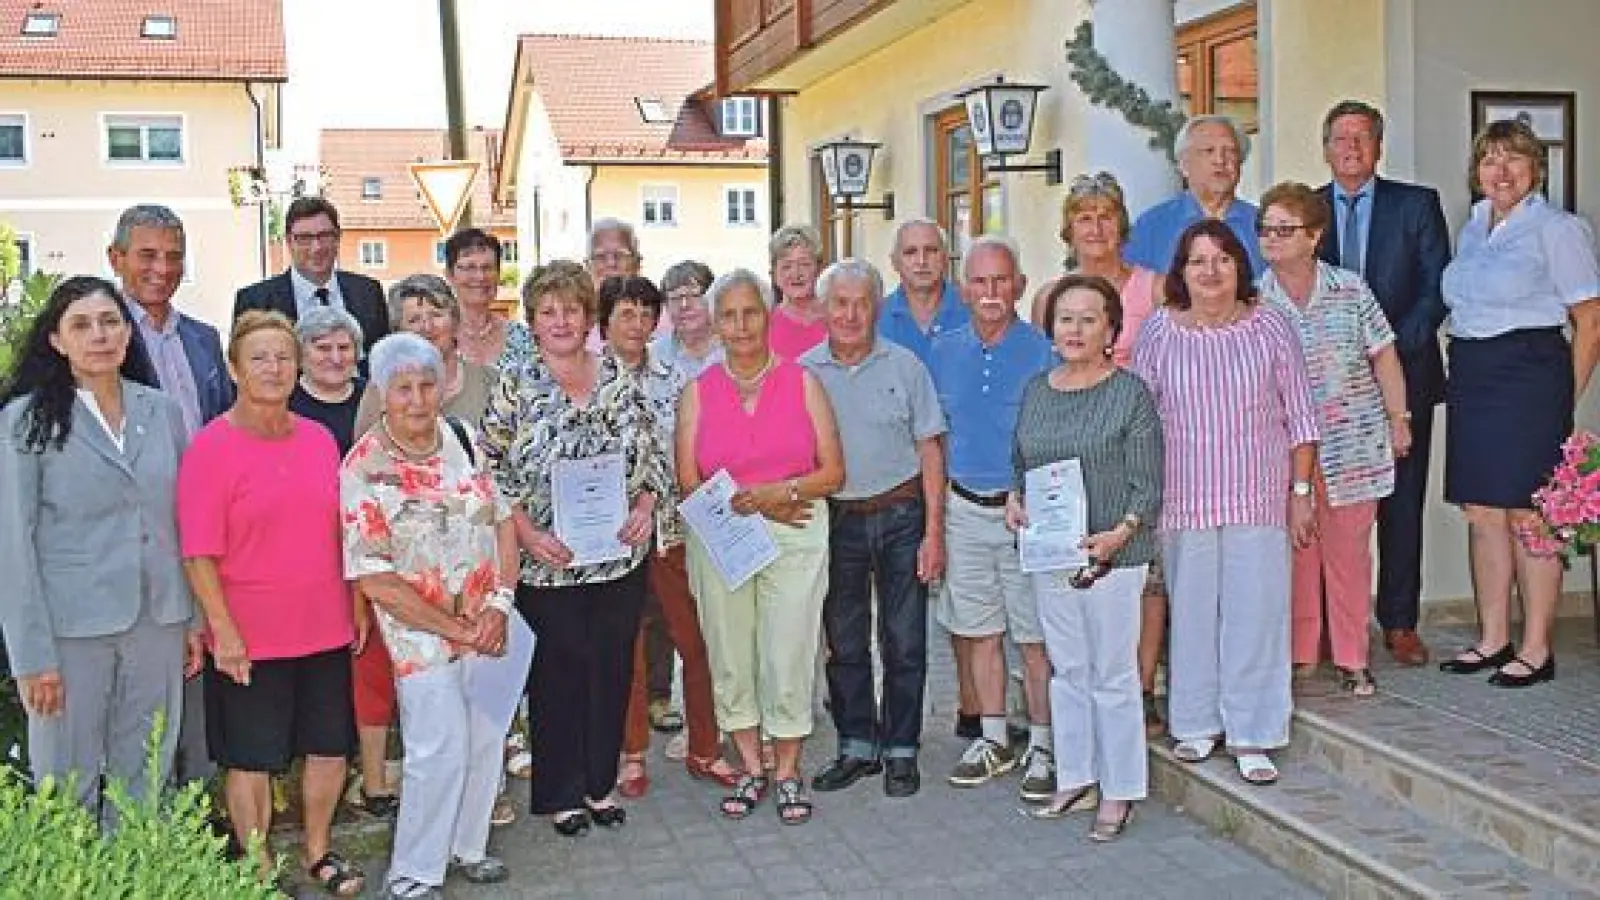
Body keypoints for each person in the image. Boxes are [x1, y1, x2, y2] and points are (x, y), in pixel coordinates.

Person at [177, 311, 363, 894]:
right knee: (251, 759)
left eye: (284, 356)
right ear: (234, 369)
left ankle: (317, 852)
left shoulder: (318, 440)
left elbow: (344, 529)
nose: (274, 368)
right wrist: (222, 630)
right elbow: (197, 553)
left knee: (329, 747)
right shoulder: (210, 448)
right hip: (249, 635)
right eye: (259, 357)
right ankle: (257, 870)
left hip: (325, 623)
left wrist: (356, 604)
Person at [481, 260, 668, 835]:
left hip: (616, 557)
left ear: (589, 317)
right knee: (558, 675)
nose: (560, 321)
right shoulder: (514, 383)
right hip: (549, 561)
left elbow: (651, 454)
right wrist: (526, 532)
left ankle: (598, 783)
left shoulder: (617, 375)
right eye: (548, 312)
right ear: (533, 322)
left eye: (570, 309)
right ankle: (560, 793)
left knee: (611, 670)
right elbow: (488, 469)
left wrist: (643, 508)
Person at [0, 276, 198, 816]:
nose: (99, 336)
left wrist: (193, 620)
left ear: (128, 335)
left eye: (111, 322)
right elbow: (12, 548)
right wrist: (31, 657)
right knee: (68, 784)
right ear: (57, 341)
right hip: (68, 633)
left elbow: (183, 523)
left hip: (158, 621)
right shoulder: (25, 421)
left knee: (148, 777)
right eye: (81, 325)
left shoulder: (162, 411)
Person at [1132, 219, 1319, 787]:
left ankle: (1252, 732)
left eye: (1221, 259)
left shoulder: (1271, 328)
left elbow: (1302, 418)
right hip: (1184, 499)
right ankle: (1194, 723)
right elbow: (1140, 421)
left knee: (1255, 614)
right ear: (1180, 273)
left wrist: (1302, 492)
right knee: (1191, 614)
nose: (1210, 272)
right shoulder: (1161, 333)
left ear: (1239, 266)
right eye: (1197, 261)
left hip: (1256, 496)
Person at [342, 333, 521, 900]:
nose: (418, 399)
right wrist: (458, 629)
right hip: (420, 635)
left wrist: (501, 604)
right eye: (403, 389)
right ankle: (414, 874)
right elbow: (375, 579)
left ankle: (467, 848)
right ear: (383, 393)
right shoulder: (363, 467)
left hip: (488, 622)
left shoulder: (463, 439)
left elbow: (502, 522)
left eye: (426, 384)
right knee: (435, 750)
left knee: (486, 737)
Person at [676, 268, 845, 825]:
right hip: (724, 536)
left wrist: (782, 494)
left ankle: (789, 769)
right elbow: (687, 480)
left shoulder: (803, 383)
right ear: (716, 322)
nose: (741, 325)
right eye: (729, 314)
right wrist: (760, 501)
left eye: (751, 312)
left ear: (767, 316)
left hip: (796, 531)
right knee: (730, 654)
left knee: (787, 651)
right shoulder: (698, 392)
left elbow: (834, 472)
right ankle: (750, 764)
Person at [1438, 118, 1600, 687]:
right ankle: (1492, 638)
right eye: (1490, 160)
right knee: (1483, 512)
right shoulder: (1475, 225)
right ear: (1476, 171)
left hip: (1531, 376)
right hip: (1475, 375)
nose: (1500, 171)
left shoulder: (1557, 228)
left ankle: (1536, 647)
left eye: (1514, 159)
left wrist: (1562, 399)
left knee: (1530, 516)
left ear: (1536, 169)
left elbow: (1590, 320)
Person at [1008, 274, 1163, 839]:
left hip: (1113, 557)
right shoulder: (1037, 390)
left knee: (1113, 674)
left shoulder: (1130, 394)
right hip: (1052, 553)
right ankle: (1076, 776)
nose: (1074, 329)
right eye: (1065, 318)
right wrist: (1015, 501)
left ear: (1111, 331)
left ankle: (1119, 790)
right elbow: (1021, 463)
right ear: (1051, 329)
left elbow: (1148, 487)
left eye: (1088, 318)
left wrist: (1118, 535)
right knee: (1068, 671)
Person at [800, 259, 947, 798]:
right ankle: (856, 743)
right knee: (844, 640)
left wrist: (935, 533)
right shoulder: (803, 372)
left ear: (877, 307)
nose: (850, 313)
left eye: (861, 302)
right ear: (822, 309)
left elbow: (930, 449)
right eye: (839, 303)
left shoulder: (907, 367)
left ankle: (902, 747)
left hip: (902, 513)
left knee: (905, 640)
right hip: (837, 520)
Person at [1259, 182, 1412, 697]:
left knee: (1348, 554)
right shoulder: (1257, 301)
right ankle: (1302, 653)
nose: (1273, 239)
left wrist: (1399, 417)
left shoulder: (1350, 289)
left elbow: (1385, 355)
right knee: (1297, 553)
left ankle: (1352, 658)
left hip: (1353, 444)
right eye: (1266, 230)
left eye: (1286, 229)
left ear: (1315, 236)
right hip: (1284, 451)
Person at [1316, 100, 1452, 667]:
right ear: (1326, 148)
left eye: (1364, 137)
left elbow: (1436, 286)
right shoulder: (1309, 210)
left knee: (1401, 500)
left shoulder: (1416, 205)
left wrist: (1389, 349)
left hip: (1406, 372)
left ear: (1379, 148)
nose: (1352, 147)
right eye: (1342, 138)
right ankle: (1327, 624)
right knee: (1329, 504)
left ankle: (1399, 621)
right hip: (1327, 384)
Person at [1029, 172, 1166, 731]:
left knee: (1143, 569)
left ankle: (1141, 684)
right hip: (1074, 453)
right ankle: (1085, 686)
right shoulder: (1048, 297)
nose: (1095, 226)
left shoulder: (1152, 288)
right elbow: (1045, 376)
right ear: (1068, 228)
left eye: (1105, 215)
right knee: (1081, 568)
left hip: (1135, 441)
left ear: (1122, 224)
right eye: (1084, 216)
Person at [599, 275, 739, 797]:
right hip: (612, 537)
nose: (636, 324)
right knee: (626, 646)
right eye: (625, 314)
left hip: (676, 529)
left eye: (644, 313)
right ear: (605, 322)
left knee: (696, 639)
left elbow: (691, 450)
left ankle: (706, 745)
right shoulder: (589, 381)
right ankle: (631, 754)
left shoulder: (678, 378)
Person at [106, 203, 230, 788]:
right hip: (135, 539)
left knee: (199, 682)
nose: (162, 268)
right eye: (147, 255)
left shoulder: (204, 340)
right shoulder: (104, 340)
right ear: (117, 259)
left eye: (174, 256)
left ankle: (201, 816)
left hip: (204, 529)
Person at [929, 236, 1057, 801]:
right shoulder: (942, 350)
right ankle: (994, 738)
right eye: (979, 282)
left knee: (1033, 637)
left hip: (1023, 514)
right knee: (978, 631)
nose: (990, 293)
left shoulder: (1043, 352)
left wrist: (1027, 492)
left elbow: (1055, 438)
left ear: (1020, 287)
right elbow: (932, 438)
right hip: (963, 509)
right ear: (964, 289)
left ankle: (1046, 745)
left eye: (1001, 281)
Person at [233, 195, 391, 356]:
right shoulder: (256, 300)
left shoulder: (368, 292)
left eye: (325, 236)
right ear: (289, 241)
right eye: (304, 238)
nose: (317, 247)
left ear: (337, 238)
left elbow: (383, 359)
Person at [354, 275, 497, 437]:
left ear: (455, 321)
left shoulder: (491, 382)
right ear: (398, 331)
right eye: (414, 319)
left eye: (436, 315)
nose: (427, 327)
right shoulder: (381, 387)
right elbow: (364, 451)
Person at [1125, 115, 1265, 280]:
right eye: (1208, 151)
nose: (1220, 160)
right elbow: (1134, 292)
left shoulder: (1262, 225)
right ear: (1184, 166)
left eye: (1230, 151)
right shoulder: (1152, 225)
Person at [877, 218, 970, 365]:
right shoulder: (875, 317)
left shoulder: (974, 312)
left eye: (931, 250)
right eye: (910, 252)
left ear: (946, 257)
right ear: (894, 262)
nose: (921, 261)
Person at [445, 228, 533, 373]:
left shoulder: (522, 339)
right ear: (449, 275)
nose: (480, 277)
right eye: (469, 268)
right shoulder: (435, 337)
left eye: (487, 268)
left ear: (498, 275)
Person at [289, 306, 366, 456]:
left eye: (344, 348)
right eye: (323, 348)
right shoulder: (282, 402)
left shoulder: (374, 397)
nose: (336, 359)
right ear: (300, 353)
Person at [652, 260, 725, 378]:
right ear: (665, 305)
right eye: (675, 298)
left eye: (694, 296)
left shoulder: (734, 347)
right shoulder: (653, 356)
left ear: (713, 299)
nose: (684, 305)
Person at [767, 225, 828, 360]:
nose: (796, 273)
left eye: (804, 264)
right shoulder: (764, 326)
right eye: (786, 266)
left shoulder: (839, 319)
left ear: (819, 269)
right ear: (774, 274)